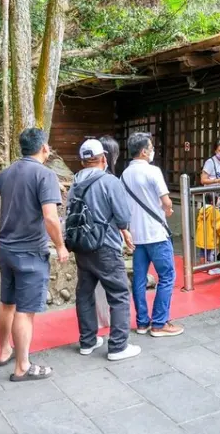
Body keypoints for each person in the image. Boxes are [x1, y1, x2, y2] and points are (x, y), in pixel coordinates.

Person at [0, 128, 67, 381]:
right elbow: (50, 217)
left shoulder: (9, 171)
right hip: (30, 253)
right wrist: (60, 245)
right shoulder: (45, 175)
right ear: (44, 148)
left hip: (6, 251)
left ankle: (4, 350)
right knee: (25, 311)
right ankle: (22, 366)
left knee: (7, 303)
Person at [69, 139, 141, 361]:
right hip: (105, 244)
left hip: (81, 245)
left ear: (83, 161)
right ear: (103, 158)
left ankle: (87, 341)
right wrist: (124, 229)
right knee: (119, 293)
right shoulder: (109, 181)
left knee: (84, 292)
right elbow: (123, 216)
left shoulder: (75, 181)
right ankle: (118, 346)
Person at [121, 132, 183, 337]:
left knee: (138, 280)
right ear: (143, 151)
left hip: (137, 235)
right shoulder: (153, 171)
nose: (152, 150)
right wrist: (168, 210)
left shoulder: (124, 175)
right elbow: (166, 201)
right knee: (167, 276)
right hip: (156, 234)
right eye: (151, 147)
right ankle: (159, 322)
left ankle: (142, 322)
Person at [195, 192, 220, 276]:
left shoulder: (202, 209)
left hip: (202, 237)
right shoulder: (214, 211)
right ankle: (212, 269)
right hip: (211, 238)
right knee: (212, 254)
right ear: (212, 202)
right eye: (219, 199)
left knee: (203, 253)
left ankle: (203, 267)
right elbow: (219, 226)